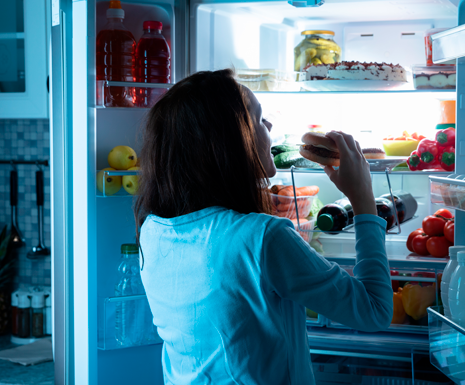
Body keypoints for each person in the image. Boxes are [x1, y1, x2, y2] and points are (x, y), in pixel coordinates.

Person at [135, 69, 392, 385]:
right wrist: (364, 199)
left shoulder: (152, 231)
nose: (269, 125)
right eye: (258, 119)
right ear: (229, 141)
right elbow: (374, 311)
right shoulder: (263, 237)